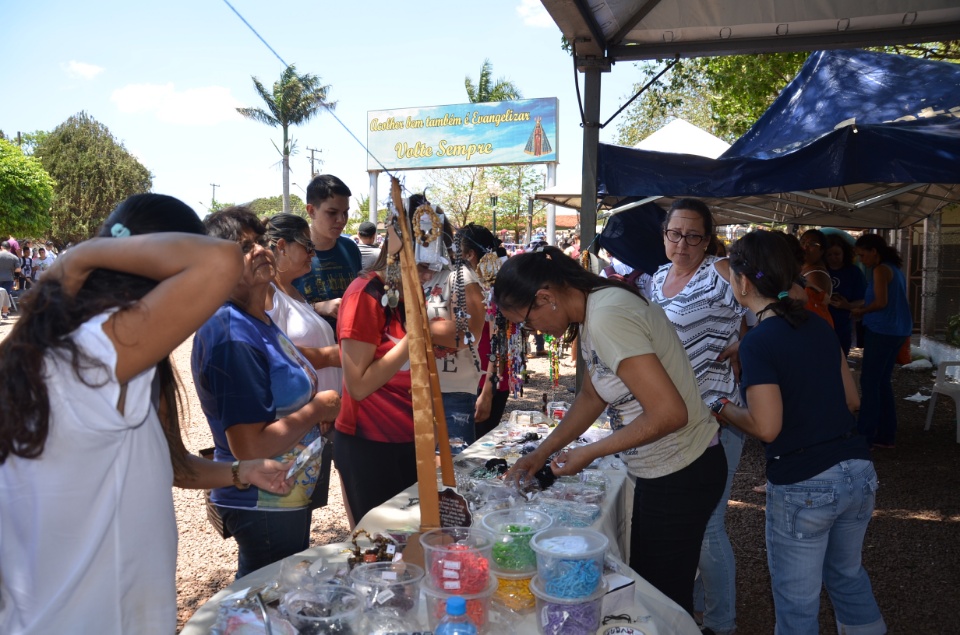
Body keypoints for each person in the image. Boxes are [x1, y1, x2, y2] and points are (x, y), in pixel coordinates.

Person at [0, 194, 294, 634]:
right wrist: (80, 257)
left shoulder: (73, 355)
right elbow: (219, 261)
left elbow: (167, 464)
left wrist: (241, 472)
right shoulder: (91, 354)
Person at [498, 246, 726, 615]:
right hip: (668, 469)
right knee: (658, 588)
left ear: (545, 298)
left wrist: (590, 451)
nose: (531, 331)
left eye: (526, 321)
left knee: (662, 601)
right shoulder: (594, 310)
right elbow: (592, 394)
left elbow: (670, 413)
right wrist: (541, 452)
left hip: (681, 468)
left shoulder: (606, 316)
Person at [716, 230, 885, 635]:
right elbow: (852, 399)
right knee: (847, 576)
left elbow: (766, 427)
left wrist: (722, 408)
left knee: (797, 602)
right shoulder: (816, 325)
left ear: (742, 283)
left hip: (805, 482)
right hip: (858, 472)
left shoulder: (759, 342)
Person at [192, 206, 341, 578]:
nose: (259, 251)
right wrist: (318, 408)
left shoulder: (258, 319)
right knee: (268, 606)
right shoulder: (232, 333)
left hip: (284, 494)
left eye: (258, 241)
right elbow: (250, 448)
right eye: (243, 248)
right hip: (263, 504)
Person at [647, 198, 749, 635]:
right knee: (689, 522)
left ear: (708, 240)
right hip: (671, 421)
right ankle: (701, 607)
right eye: (675, 233)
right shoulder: (655, 279)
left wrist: (750, 341)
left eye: (694, 235)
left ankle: (722, 623)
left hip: (717, 417)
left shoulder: (725, 271)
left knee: (708, 525)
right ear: (664, 235)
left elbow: (788, 295)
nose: (683, 243)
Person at [335, 201, 416, 523]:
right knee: (378, 547)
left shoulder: (408, 294)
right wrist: (416, 340)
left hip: (408, 437)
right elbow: (357, 385)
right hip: (369, 442)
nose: (428, 270)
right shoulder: (364, 294)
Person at [263, 213, 343, 514]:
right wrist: (336, 355)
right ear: (281, 246)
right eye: (307, 246)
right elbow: (272, 351)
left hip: (317, 423)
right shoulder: (267, 293)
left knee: (300, 514)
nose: (312, 254)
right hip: (299, 424)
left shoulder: (291, 291)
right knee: (288, 513)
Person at [413, 195, 485, 451]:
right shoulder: (400, 278)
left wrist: (408, 328)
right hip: (404, 392)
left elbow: (467, 333)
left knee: (448, 477)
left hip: (450, 394)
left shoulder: (459, 275)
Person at [852, 233, 912, 449]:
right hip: (896, 330)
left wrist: (861, 311)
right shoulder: (892, 269)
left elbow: (880, 302)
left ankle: (865, 435)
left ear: (873, 252)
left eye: (862, 255)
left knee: (870, 382)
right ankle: (886, 434)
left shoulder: (880, 270)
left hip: (883, 330)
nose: (861, 260)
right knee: (881, 382)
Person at [456, 223, 511, 438]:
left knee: (472, 452)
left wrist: (487, 391)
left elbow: (501, 341)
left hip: (485, 383)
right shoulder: (475, 283)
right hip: (474, 380)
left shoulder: (492, 287)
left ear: (469, 254)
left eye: (456, 251)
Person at [292, 174, 362, 331]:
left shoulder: (350, 248)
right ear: (311, 211)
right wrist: (317, 307)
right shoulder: (291, 253)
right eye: (332, 212)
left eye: (345, 212)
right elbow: (277, 309)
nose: (341, 220)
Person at [824, 234, 867, 356]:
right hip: (822, 324)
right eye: (829, 255)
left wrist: (847, 305)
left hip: (843, 325)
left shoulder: (854, 273)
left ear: (844, 253)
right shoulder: (820, 270)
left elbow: (863, 300)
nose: (833, 258)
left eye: (837, 254)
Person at [799, 229, 835, 326]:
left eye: (812, 244)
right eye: (802, 242)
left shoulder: (816, 275)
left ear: (822, 251)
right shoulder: (805, 269)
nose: (805, 247)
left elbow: (812, 309)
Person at [0, 241, 20, 308]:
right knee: (6, 295)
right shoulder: (14, 257)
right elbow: (18, 269)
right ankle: (5, 312)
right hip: (8, 278)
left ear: (1, 247)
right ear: (10, 248)